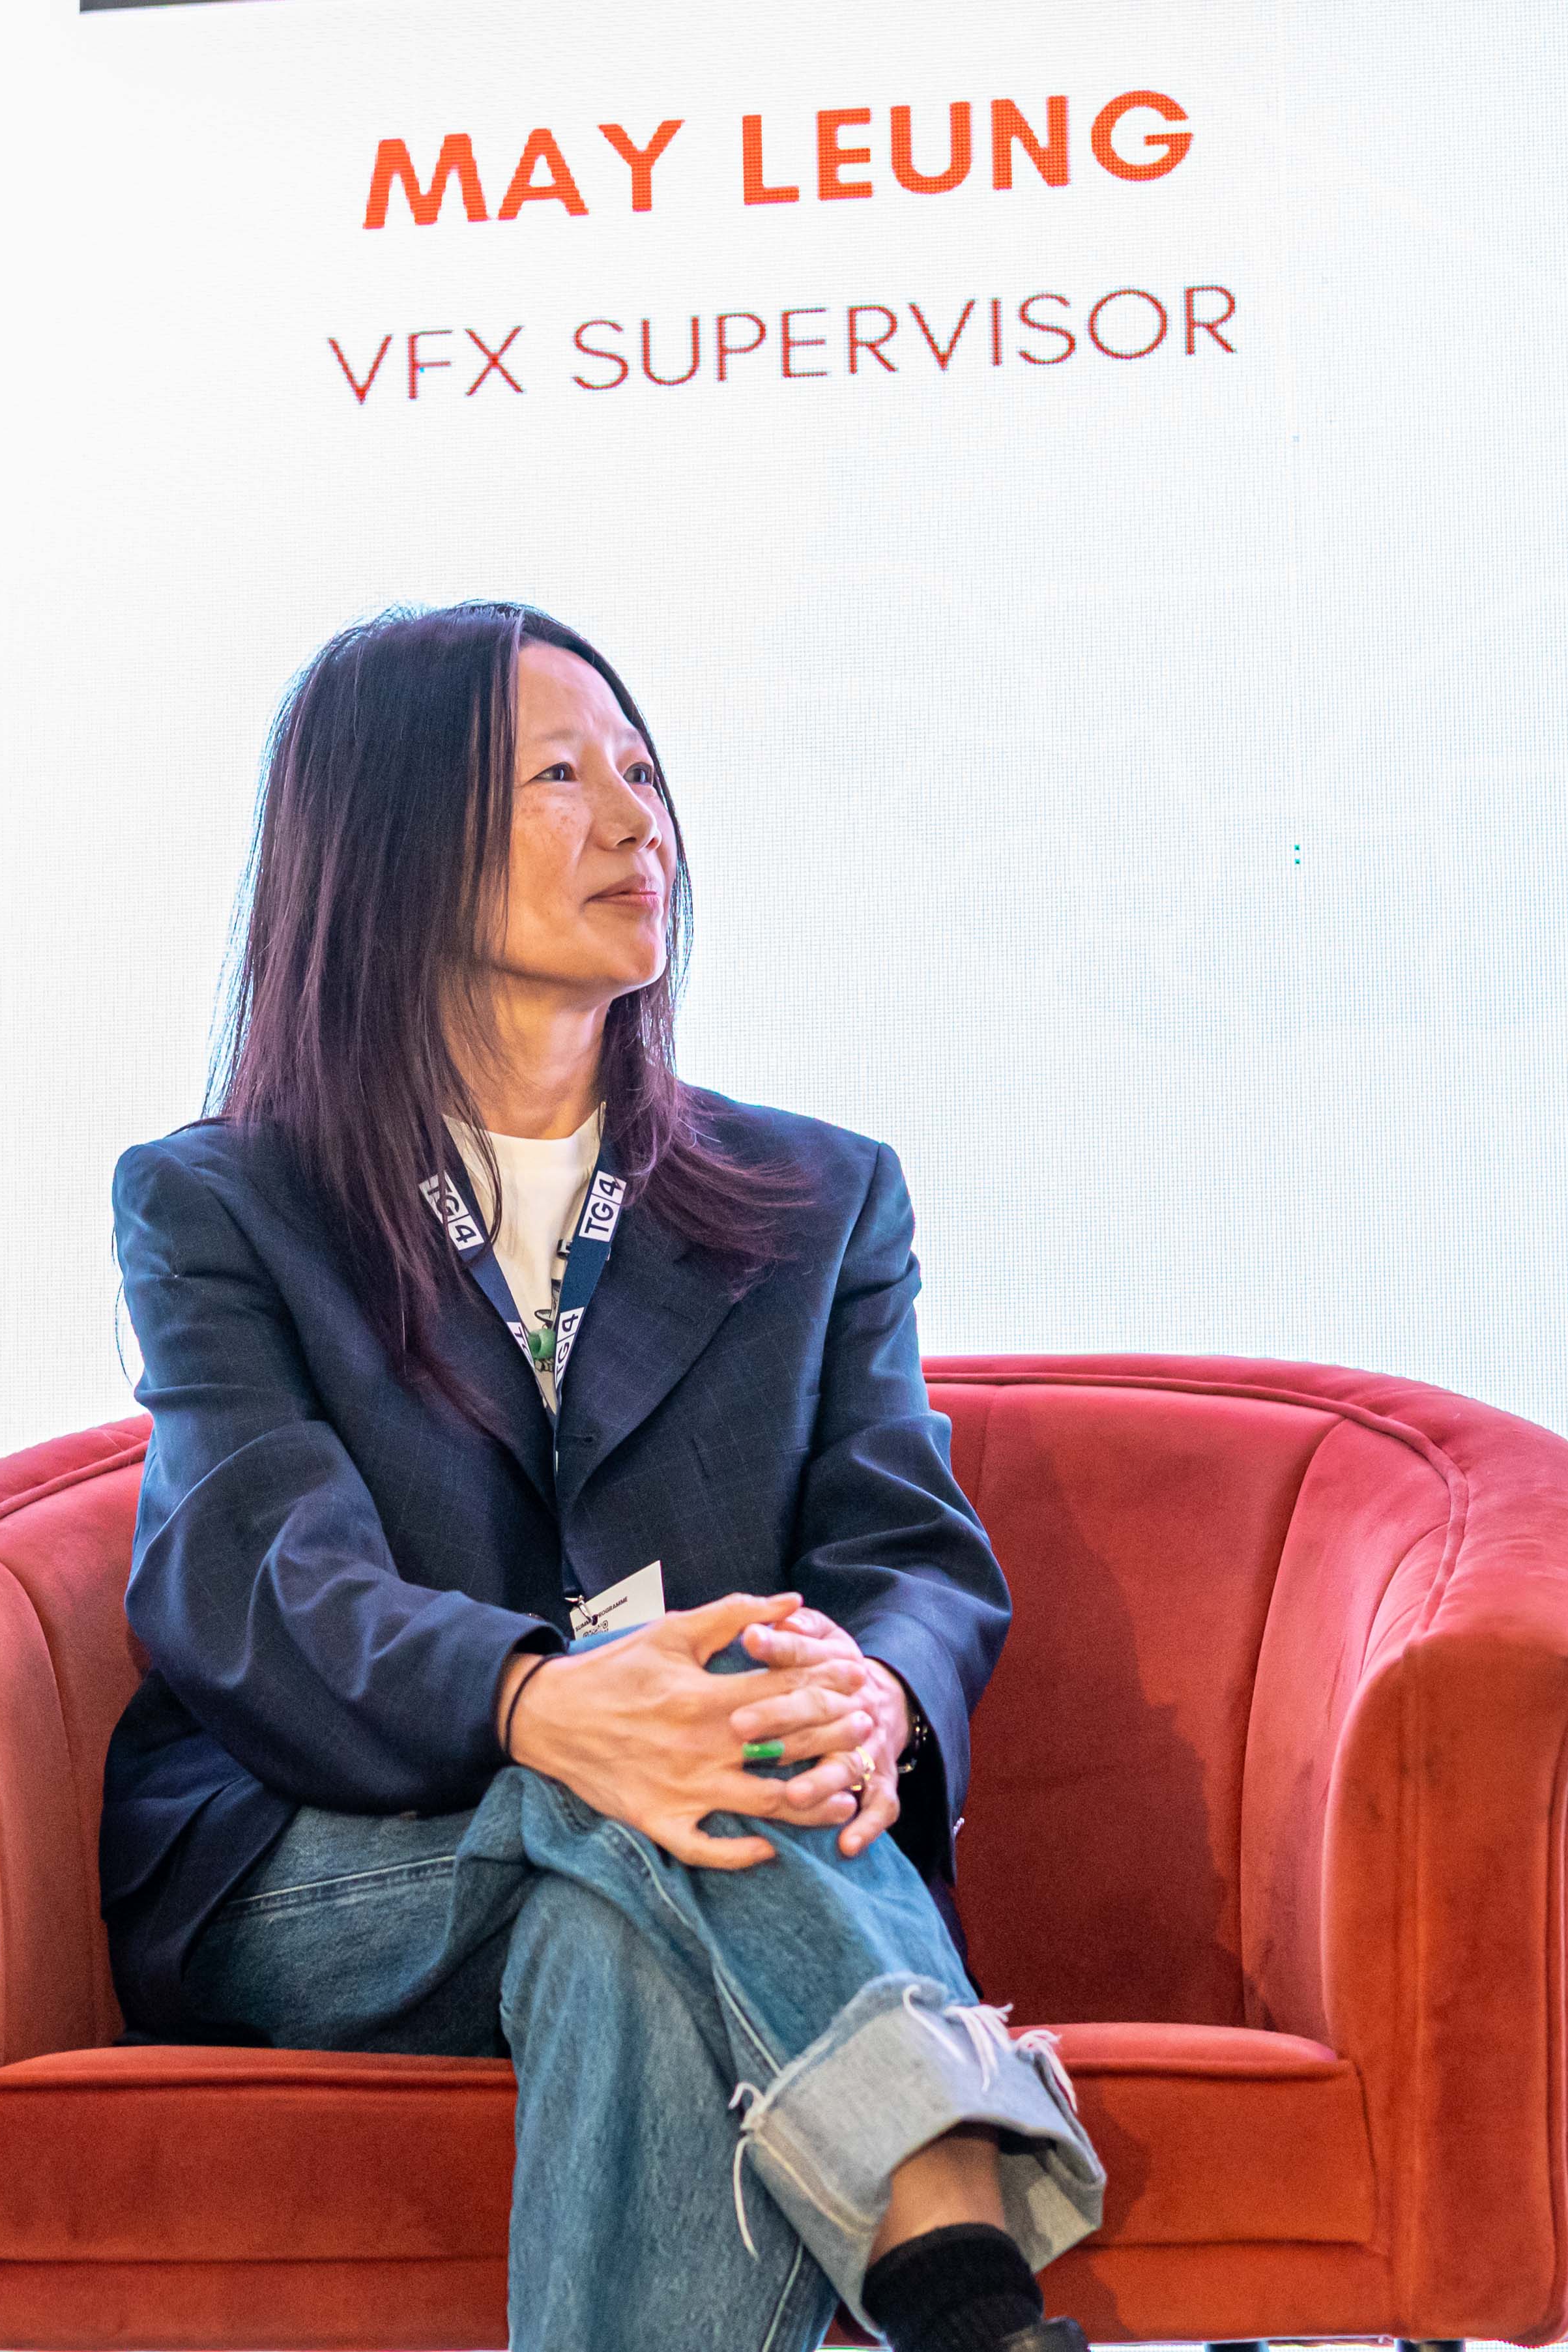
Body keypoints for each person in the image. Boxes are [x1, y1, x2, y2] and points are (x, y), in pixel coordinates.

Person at [104, 602, 1102, 2352]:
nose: (641, 823)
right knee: (655, 1772)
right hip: (337, 1857)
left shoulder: (822, 1199)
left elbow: (910, 1553)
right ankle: (956, 2242)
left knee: (631, 1903)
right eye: (561, 778)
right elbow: (270, 1579)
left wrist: (870, 1691)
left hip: (677, 1849)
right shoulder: (225, 1204)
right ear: (394, 838)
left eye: (642, 769)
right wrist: (546, 1705)